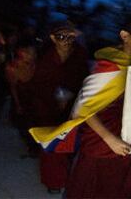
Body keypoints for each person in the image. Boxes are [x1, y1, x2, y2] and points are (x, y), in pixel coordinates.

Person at [59, 11, 131, 198]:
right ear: (125, 36)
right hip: (103, 144)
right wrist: (109, 139)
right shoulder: (109, 67)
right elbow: (81, 107)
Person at [30, 20, 89, 194]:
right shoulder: (45, 57)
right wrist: (54, 95)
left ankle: (71, 176)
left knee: (71, 143)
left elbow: (85, 78)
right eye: (61, 36)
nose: (66, 41)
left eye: (70, 36)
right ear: (53, 38)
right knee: (52, 147)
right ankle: (54, 182)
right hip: (47, 107)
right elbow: (37, 83)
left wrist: (72, 93)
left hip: (73, 106)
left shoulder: (80, 53)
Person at [5, 41, 39, 158]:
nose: (32, 55)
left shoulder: (37, 64)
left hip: (36, 99)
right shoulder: (13, 67)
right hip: (22, 99)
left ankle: (36, 146)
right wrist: (18, 104)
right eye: (28, 52)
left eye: (33, 52)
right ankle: (31, 147)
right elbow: (13, 88)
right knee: (24, 126)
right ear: (21, 53)